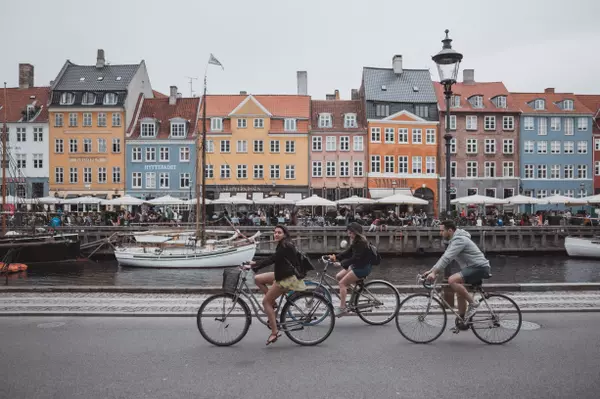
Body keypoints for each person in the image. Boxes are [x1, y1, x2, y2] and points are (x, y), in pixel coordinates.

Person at [247, 225, 306, 345]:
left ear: (284, 234)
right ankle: (273, 303)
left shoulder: (285, 245)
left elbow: (273, 259)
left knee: (265, 302)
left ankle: (274, 332)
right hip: (282, 273)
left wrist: (255, 266)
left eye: (279, 232)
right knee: (257, 279)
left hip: (286, 278)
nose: (276, 234)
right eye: (275, 232)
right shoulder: (284, 243)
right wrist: (255, 264)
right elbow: (274, 258)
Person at [423, 220, 491, 321]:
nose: (440, 233)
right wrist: (432, 270)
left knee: (452, 280)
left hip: (479, 267)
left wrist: (434, 273)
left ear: (450, 230)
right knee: (459, 291)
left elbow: (447, 258)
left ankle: (473, 303)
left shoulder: (460, 240)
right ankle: (462, 319)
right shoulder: (454, 240)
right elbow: (444, 257)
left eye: (442, 231)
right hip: (472, 268)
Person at [330, 222, 372, 317]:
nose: (348, 234)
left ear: (355, 232)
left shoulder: (361, 242)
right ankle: (354, 291)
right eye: (348, 232)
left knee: (342, 283)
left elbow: (355, 258)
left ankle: (342, 308)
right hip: (357, 265)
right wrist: (334, 257)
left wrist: (341, 263)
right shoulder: (356, 241)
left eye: (350, 232)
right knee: (339, 276)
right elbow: (347, 253)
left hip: (362, 268)